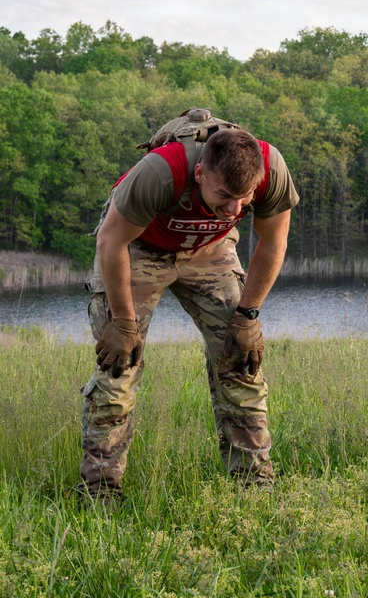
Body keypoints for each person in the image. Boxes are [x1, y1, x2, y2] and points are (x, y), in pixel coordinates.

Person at [78, 116, 299, 502]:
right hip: (138, 249)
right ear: (200, 172)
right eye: (224, 195)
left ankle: (254, 487)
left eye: (244, 198)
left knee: (241, 358)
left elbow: (273, 243)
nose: (234, 209)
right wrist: (124, 324)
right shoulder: (160, 172)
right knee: (119, 366)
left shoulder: (271, 169)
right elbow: (110, 242)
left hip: (209, 250)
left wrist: (248, 315)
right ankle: (100, 492)